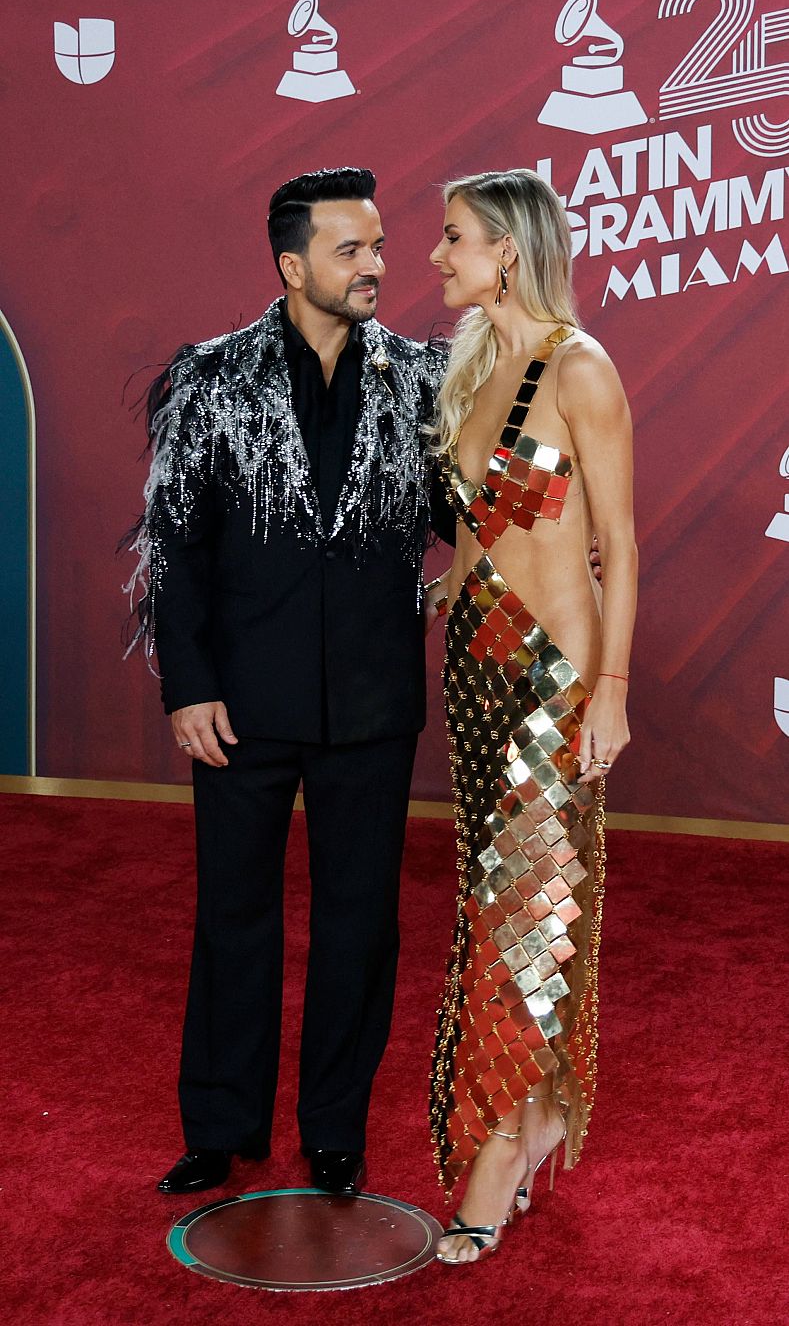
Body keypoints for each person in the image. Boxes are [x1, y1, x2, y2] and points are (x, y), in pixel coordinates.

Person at [124, 167, 453, 1197]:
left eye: (381, 245)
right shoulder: (208, 377)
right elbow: (172, 544)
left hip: (371, 699)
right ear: (292, 262)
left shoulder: (424, 376)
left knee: (360, 919)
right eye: (352, 248)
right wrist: (187, 684)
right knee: (235, 914)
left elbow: (464, 517)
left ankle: (335, 1128)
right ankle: (221, 1123)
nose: (378, 266)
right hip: (240, 700)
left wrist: (559, 549)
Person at [425, 170, 637, 1263]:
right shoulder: (472, 363)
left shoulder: (581, 367)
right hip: (472, 672)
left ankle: (504, 1146)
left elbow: (623, 546)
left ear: (506, 249)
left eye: (452, 237)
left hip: (556, 679)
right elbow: (474, 533)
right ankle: (543, 1107)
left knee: (528, 909)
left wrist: (610, 690)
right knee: (496, 901)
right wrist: (447, 591)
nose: (434, 255)